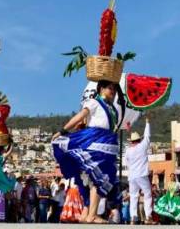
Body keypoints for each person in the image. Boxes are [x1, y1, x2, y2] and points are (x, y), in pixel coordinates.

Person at [52, 80, 123, 224]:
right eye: (110, 88)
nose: (113, 91)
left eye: (115, 89)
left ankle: (86, 214)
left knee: (93, 181)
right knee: (99, 179)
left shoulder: (113, 109)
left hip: (107, 146)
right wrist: (63, 130)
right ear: (101, 89)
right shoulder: (94, 103)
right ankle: (92, 215)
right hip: (96, 143)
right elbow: (80, 116)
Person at [126, 115, 153, 224]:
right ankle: (148, 217)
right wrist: (147, 122)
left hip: (132, 176)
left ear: (131, 141)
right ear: (139, 139)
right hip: (142, 174)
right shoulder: (142, 146)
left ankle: (133, 217)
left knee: (133, 197)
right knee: (147, 195)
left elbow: (127, 163)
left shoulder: (128, 151)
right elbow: (147, 136)